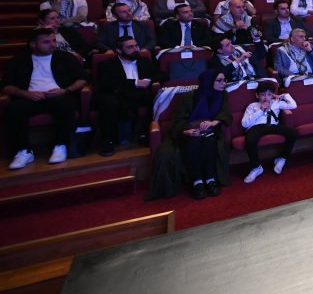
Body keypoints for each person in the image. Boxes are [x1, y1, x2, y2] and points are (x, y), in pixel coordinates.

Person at [4, 28, 88, 169]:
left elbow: (83, 79)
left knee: (66, 104)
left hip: (58, 96)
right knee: (13, 110)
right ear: (33, 44)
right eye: (46, 42)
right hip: (30, 98)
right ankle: (24, 150)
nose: (52, 44)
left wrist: (65, 90)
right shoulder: (18, 60)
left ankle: (60, 145)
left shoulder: (65, 57)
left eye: (54, 40)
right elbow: (6, 86)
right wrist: (26, 94)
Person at [94, 35, 161, 156]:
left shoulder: (144, 61)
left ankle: (146, 134)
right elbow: (106, 83)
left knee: (156, 96)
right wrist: (135, 83)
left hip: (140, 94)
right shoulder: (107, 65)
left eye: (136, 46)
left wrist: (148, 80)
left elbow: (161, 75)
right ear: (119, 50)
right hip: (118, 94)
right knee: (107, 101)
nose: (135, 49)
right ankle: (107, 141)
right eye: (130, 47)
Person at [170, 68, 231, 200]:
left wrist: (214, 122)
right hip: (189, 131)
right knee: (194, 144)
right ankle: (197, 182)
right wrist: (186, 131)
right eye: (219, 80)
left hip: (211, 131)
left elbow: (225, 113)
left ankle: (210, 179)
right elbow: (178, 119)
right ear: (209, 81)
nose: (223, 83)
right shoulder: (189, 96)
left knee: (210, 142)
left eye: (225, 80)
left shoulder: (223, 95)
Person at [239, 81, 298, 183]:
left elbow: (293, 105)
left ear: (273, 95)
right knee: (250, 140)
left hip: (273, 126)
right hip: (256, 128)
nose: (266, 98)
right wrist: (260, 110)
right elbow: (244, 124)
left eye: (269, 94)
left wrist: (284, 95)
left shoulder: (276, 103)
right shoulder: (252, 106)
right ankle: (256, 167)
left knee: (292, 133)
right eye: (262, 94)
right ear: (257, 95)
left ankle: (282, 158)